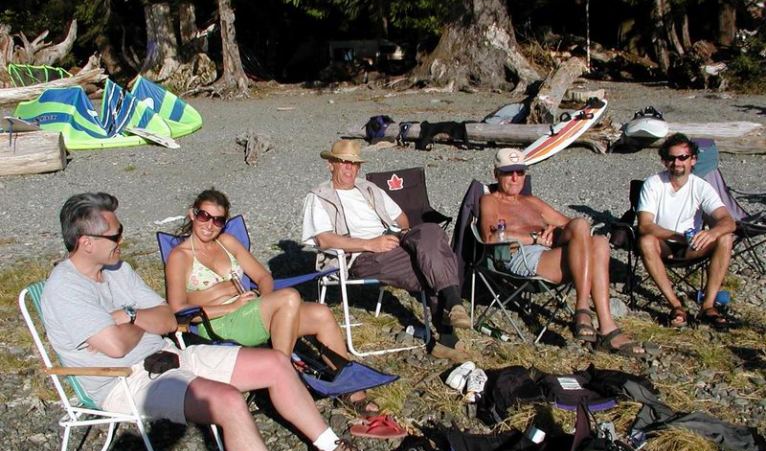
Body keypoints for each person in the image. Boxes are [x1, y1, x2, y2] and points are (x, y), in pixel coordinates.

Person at [41, 192, 386, 451]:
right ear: (86, 242)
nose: (122, 240)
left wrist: (129, 316)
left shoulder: (119, 269)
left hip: (170, 353)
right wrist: (140, 321)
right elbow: (115, 348)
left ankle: (330, 449)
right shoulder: (66, 288)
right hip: (123, 380)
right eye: (115, 234)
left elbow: (168, 317)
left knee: (276, 364)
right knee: (227, 400)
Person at [164, 188, 376, 413]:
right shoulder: (181, 256)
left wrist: (265, 301)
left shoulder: (227, 242)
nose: (209, 225)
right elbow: (178, 310)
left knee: (320, 313)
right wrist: (234, 306)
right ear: (192, 214)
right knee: (290, 296)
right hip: (217, 324)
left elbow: (264, 277)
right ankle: (284, 380)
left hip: (250, 313)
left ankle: (351, 391)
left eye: (218, 220)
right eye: (204, 216)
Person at [302, 139, 471, 362]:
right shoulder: (319, 196)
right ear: (330, 164)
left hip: (392, 241)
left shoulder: (368, 188)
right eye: (343, 162)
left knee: (431, 232)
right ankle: (448, 330)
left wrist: (402, 236)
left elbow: (401, 218)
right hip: (361, 255)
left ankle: (453, 304)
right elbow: (324, 239)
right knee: (426, 262)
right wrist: (370, 244)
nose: (349, 168)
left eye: (354, 164)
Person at [479, 149, 645, 356]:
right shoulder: (490, 201)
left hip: (550, 253)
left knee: (598, 240)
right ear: (496, 173)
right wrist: (533, 238)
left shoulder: (531, 201)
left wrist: (554, 230)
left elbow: (572, 225)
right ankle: (593, 319)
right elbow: (490, 238)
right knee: (595, 244)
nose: (515, 178)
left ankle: (599, 320)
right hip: (522, 255)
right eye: (508, 172)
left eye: (520, 172)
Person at [637, 133, 736, 329]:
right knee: (646, 240)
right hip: (665, 244)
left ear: (693, 160)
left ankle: (708, 306)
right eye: (672, 158)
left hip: (693, 246)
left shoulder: (701, 187)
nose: (677, 163)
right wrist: (678, 236)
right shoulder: (653, 184)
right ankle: (675, 305)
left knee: (725, 238)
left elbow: (728, 221)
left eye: (683, 157)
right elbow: (645, 225)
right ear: (665, 161)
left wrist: (712, 233)